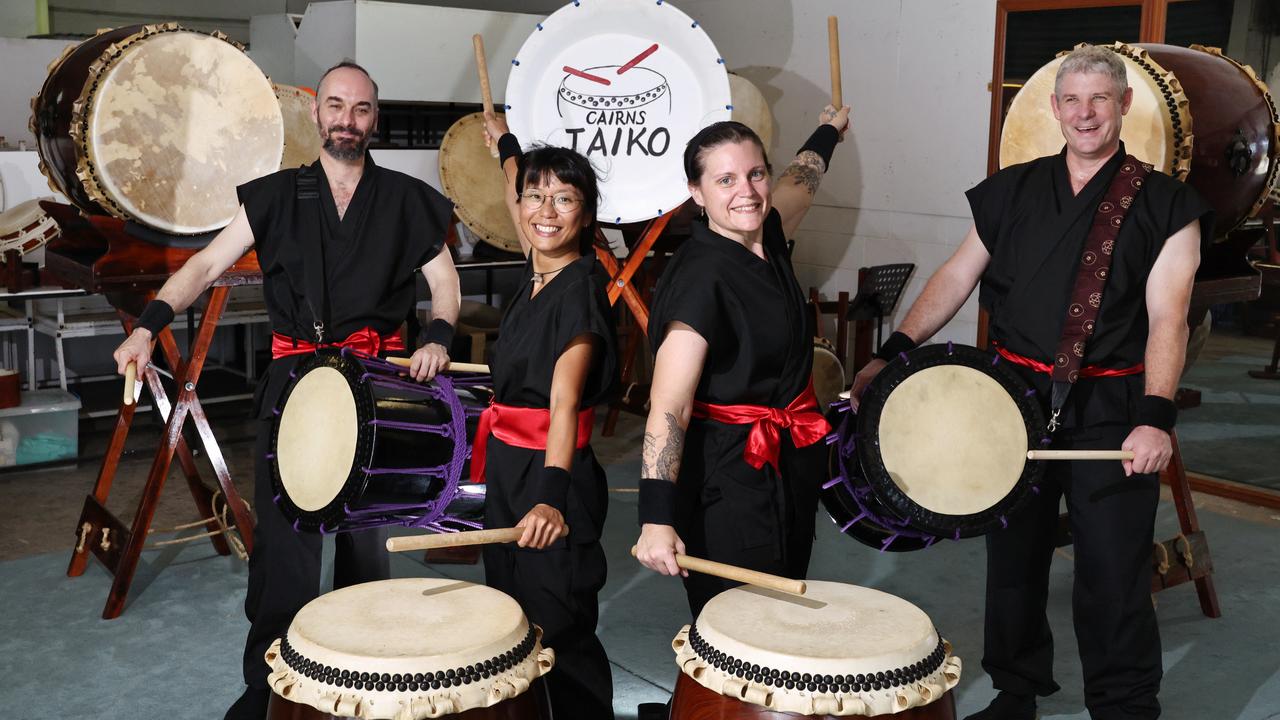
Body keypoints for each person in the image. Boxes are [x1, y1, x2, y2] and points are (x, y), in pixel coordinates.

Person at [850, 46, 1210, 720]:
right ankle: (1016, 693)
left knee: (1113, 567)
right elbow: (956, 277)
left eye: (1100, 98)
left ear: (1124, 104)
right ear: (1054, 109)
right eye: (1072, 100)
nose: (1085, 113)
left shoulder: (1166, 204)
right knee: (1014, 560)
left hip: (1112, 405)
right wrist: (893, 350)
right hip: (1011, 399)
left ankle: (1125, 706)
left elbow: (1170, 316)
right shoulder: (1013, 188)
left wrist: (1156, 414)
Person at [111, 62, 461, 720]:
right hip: (293, 384)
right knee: (284, 550)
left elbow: (444, 284)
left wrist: (438, 336)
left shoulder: (408, 201)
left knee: (367, 546)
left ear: (373, 119)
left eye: (361, 109)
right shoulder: (274, 197)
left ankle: (365, 691)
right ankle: (271, 694)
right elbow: (206, 265)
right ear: (316, 114)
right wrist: (148, 328)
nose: (347, 120)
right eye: (336, 105)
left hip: (377, 386)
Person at [633, 106, 851, 617]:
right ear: (696, 192)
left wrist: (828, 132)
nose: (746, 191)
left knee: (783, 612)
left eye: (755, 173)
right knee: (740, 628)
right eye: (725, 179)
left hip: (786, 461)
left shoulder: (765, 235)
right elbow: (669, 406)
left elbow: (802, 182)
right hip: (728, 479)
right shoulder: (702, 279)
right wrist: (655, 518)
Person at [472, 112, 620, 718]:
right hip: (508, 469)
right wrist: (506, 146)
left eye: (565, 200)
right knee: (509, 615)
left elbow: (563, 404)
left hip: (551, 475)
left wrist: (551, 499)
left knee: (557, 625)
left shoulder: (579, 287)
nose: (545, 211)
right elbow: (520, 200)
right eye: (537, 196)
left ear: (586, 215)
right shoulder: (535, 273)